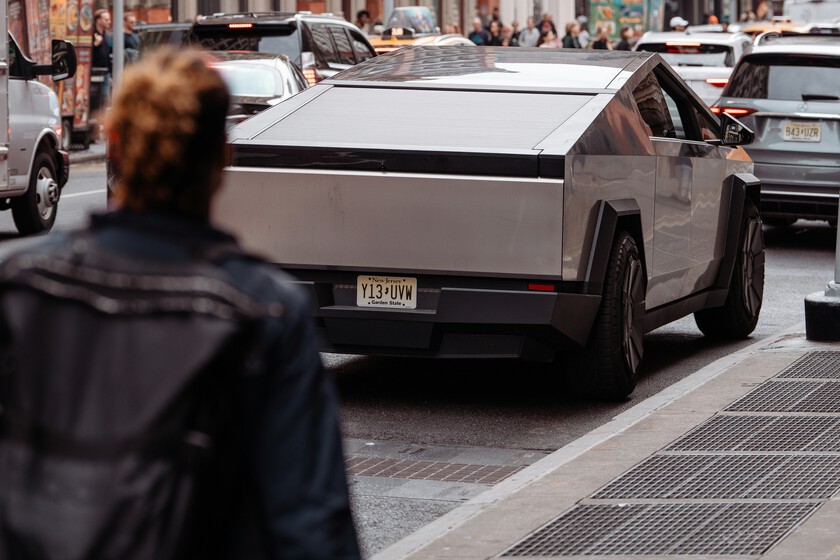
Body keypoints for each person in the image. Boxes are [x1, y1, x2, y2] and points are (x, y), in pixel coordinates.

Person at [0, 49, 361, 559]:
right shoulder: (264, 312)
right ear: (220, 159)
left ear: (119, 145)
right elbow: (311, 524)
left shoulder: (23, 286)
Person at [91, 9, 112, 109]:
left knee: (105, 98)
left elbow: (108, 55)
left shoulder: (106, 36)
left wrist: (110, 73)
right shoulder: (92, 34)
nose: (109, 22)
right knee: (95, 98)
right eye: (106, 20)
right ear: (98, 20)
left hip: (105, 71)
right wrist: (95, 44)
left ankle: (102, 122)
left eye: (109, 19)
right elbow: (86, 54)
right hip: (94, 71)